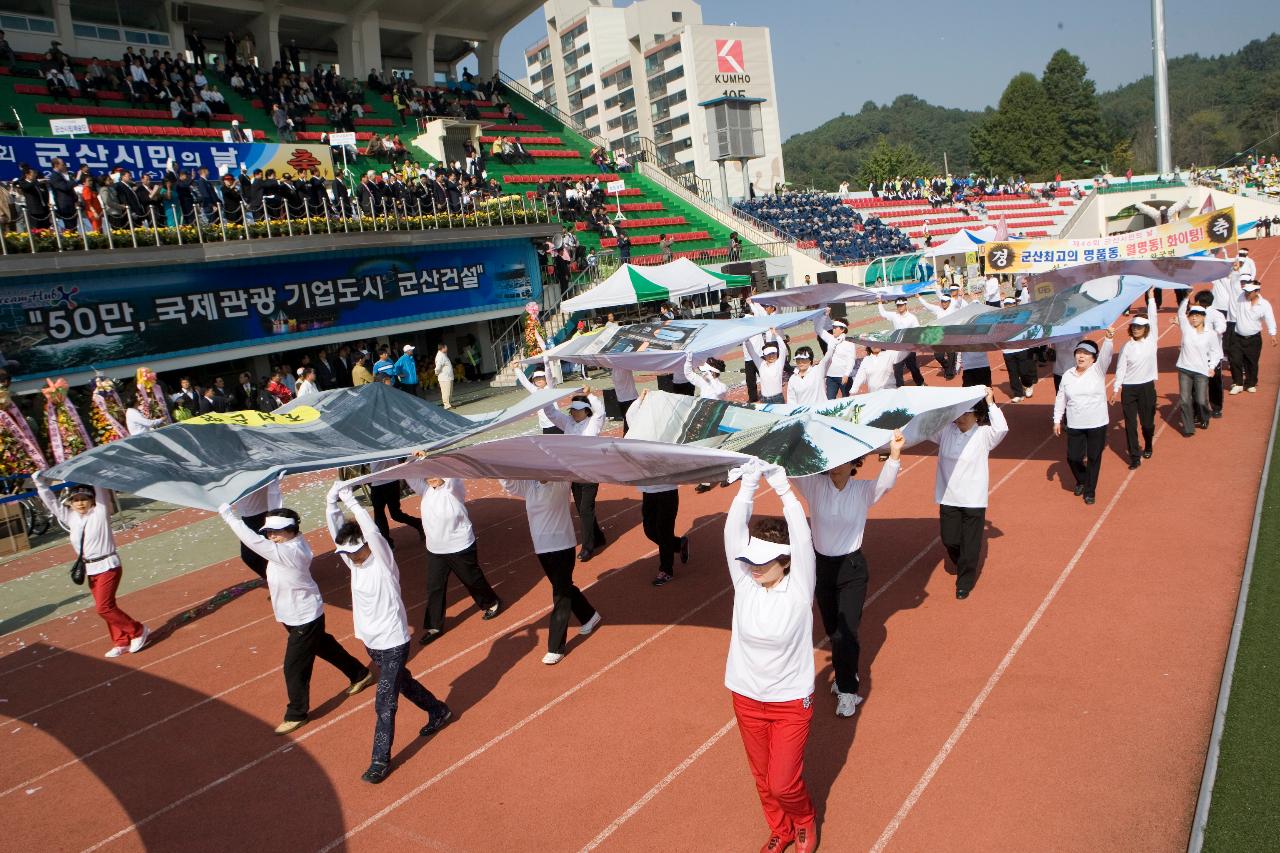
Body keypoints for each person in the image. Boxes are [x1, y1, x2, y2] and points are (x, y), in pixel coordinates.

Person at [324, 484, 452, 783]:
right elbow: (336, 532)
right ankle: (437, 710)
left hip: (394, 642)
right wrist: (331, 501)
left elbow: (371, 532)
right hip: (371, 643)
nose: (353, 557)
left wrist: (352, 503)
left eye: (357, 551)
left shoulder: (382, 562)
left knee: (385, 700)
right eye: (348, 553)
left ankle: (379, 760)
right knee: (403, 684)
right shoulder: (354, 564)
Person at [723, 458, 819, 853]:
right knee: (762, 777)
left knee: (783, 781)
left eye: (763, 562)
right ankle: (779, 829)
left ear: (785, 560)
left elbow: (801, 534)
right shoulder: (745, 583)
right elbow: (732, 532)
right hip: (746, 696)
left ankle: (805, 819)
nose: (753, 568)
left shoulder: (799, 588)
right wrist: (748, 484)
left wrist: (781, 487)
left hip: (790, 701)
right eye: (750, 560)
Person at [217, 502, 373, 734]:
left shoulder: (291, 551)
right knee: (325, 647)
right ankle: (360, 673)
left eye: (277, 531)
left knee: (294, 667)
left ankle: (296, 713)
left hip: (305, 617)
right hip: (293, 615)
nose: (272, 536)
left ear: (292, 530)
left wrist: (230, 517)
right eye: (269, 532)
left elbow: (253, 542)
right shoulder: (286, 545)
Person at [792, 431, 903, 717]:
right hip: (823, 569)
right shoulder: (814, 486)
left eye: (842, 461)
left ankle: (847, 690)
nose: (835, 467)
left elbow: (886, 483)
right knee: (832, 630)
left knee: (846, 632)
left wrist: (894, 453)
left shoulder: (863, 491)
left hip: (852, 570)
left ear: (853, 463)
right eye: (831, 461)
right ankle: (845, 673)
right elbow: (788, 470)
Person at [33, 476, 149, 657]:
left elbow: (101, 490)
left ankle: (138, 630)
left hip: (108, 565)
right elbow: (51, 503)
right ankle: (121, 641)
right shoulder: (70, 517)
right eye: (76, 500)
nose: (80, 504)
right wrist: (40, 484)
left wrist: (93, 473)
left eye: (84, 499)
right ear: (70, 503)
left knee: (104, 607)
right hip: (90, 569)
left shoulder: (100, 513)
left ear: (92, 500)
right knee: (108, 607)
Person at [499, 477, 601, 664]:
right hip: (542, 547)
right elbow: (509, 483)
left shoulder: (561, 483)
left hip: (562, 545)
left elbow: (566, 467)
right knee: (563, 587)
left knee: (560, 594)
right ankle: (589, 615)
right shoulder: (529, 485)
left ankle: (556, 647)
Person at [404, 474, 502, 644]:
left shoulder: (453, 489)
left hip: (459, 546)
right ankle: (434, 626)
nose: (432, 479)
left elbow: (452, 476)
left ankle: (491, 602)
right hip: (435, 550)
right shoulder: (425, 490)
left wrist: (434, 460)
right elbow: (410, 474)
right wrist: (413, 457)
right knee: (434, 587)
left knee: (471, 579)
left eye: (435, 474)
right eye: (428, 475)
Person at [931, 387, 1008, 598]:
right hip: (948, 496)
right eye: (960, 413)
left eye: (967, 413)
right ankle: (962, 561)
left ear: (977, 415)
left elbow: (1001, 429)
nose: (962, 417)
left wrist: (991, 402)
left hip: (973, 499)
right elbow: (926, 426)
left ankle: (964, 580)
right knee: (950, 540)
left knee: (971, 543)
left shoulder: (984, 435)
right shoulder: (946, 431)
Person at [541, 389, 608, 561]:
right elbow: (550, 413)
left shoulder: (594, 422)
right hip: (574, 474)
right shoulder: (567, 423)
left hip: (591, 473)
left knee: (585, 509)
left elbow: (600, 409)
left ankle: (587, 547)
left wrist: (590, 394)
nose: (575, 413)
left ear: (586, 410)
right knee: (582, 508)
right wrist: (546, 396)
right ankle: (598, 537)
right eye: (573, 410)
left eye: (578, 409)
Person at [1052, 331, 1115, 505]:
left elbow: (1107, 355)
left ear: (1093, 358)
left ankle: (1090, 491)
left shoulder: (1098, 371)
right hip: (1075, 423)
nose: (1081, 356)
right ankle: (1082, 479)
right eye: (1079, 353)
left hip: (1097, 423)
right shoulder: (1067, 375)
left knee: (1094, 457)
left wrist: (1109, 339)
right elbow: (1061, 398)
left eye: (1086, 354)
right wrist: (1057, 419)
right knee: (1073, 457)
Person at [1109, 291, 1159, 468]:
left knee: (1147, 424)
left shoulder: (1152, 341)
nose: (1136, 329)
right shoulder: (1126, 347)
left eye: (1140, 327)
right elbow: (1121, 368)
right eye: (1134, 326)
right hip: (1129, 389)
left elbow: (1153, 316)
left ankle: (1148, 443)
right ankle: (1134, 457)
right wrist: (1116, 389)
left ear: (1146, 329)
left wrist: (1151, 296)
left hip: (1146, 387)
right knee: (1131, 425)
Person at [1175, 299, 1223, 436]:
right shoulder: (1186, 329)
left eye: (1197, 315)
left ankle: (1204, 416)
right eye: (1192, 315)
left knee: (1201, 400)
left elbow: (1215, 352)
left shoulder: (1211, 334)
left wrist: (1212, 366)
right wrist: (1186, 298)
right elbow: (1180, 313)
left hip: (1201, 371)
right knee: (1184, 400)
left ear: (1203, 317)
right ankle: (1189, 428)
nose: (1194, 318)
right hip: (1184, 369)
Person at [638, 479, 689, 587]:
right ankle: (678, 544)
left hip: (667, 490)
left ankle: (666, 570)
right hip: (648, 491)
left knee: (664, 531)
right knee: (649, 530)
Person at [366, 458, 425, 546]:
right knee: (378, 514)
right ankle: (387, 542)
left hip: (391, 481)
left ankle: (418, 523)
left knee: (395, 514)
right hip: (376, 483)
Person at [1231, 281, 1277, 394]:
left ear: (1257, 291)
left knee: (1251, 362)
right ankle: (1238, 384)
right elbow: (1233, 284)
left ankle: (1250, 383)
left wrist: (1273, 334)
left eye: (1249, 292)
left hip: (1254, 339)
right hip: (1237, 337)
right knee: (1235, 361)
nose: (1246, 293)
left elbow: (1270, 319)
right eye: (1246, 291)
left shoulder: (1264, 304)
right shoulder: (1240, 298)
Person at [878, 297, 925, 386]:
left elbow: (918, 331)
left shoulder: (912, 318)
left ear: (905, 305)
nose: (899, 307)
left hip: (909, 347)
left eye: (901, 305)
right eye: (898, 305)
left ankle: (920, 383)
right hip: (898, 348)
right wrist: (880, 302)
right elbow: (883, 313)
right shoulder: (894, 315)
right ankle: (900, 388)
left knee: (913, 367)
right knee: (897, 369)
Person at [815, 314, 859, 399]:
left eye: (836, 327)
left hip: (844, 377)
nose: (833, 329)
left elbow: (851, 359)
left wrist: (846, 374)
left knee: (848, 401)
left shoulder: (849, 343)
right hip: (831, 377)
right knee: (830, 401)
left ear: (842, 329)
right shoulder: (831, 339)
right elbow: (818, 329)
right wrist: (825, 315)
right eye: (833, 327)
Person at [745, 333, 787, 404]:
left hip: (778, 399)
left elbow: (783, 348)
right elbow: (751, 352)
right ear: (764, 355)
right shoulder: (761, 364)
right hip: (764, 400)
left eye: (773, 353)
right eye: (768, 354)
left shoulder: (779, 363)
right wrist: (746, 339)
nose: (771, 356)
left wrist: (776, 335)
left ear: (776, 353)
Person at [434, 343, 454, 409]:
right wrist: (437, 374)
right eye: (446, 347)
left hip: (448, 377)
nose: (447, 348)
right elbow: (438, 368)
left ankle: (449, 404)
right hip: (444, 378)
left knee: (449, 392)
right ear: (443, 348)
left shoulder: (443, 355)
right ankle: (446, 405)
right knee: (446, 392)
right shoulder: (440, 356)